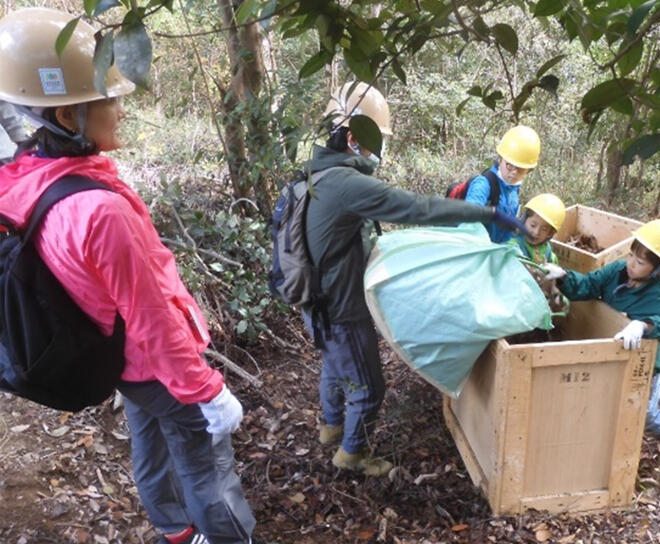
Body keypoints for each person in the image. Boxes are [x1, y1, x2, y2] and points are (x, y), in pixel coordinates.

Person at [0, 9, 259, 544]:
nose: (119, 109)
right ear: (70, 116)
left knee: (150, 444)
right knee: (207, 466)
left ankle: (175, 530)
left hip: (120, 360)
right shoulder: (99, 211)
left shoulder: (28, 179)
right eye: (108, 99)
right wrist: (206, 390)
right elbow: (151, 316)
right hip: (158, 364)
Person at [304, 81, 530, 476]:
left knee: (335, 365)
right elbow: (417, 208)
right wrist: (488, 215)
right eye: (375, 141)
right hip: (339, 304)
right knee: (369, 387)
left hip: (315, 299)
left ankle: (330, 427)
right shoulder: (348, 183)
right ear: (355, 138)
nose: (378, 151)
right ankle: (352, 455)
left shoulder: (315, 173)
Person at [550, 218, 660, 468]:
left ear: (659, 270)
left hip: (647, 363)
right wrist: (564, 277)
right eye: (631, 255)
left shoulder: (656, 294)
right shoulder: (617, 271)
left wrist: (643, 325)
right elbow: (587, 286)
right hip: (619, 352)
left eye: (640, 262)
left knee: (645, 413)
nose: (631, 263)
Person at [464, 125, 541, 243]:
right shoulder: (484, 184)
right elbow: (468, 217)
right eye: (509, 165)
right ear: (500, 159)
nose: (514, 173)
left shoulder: (514, 190)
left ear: (528, 171)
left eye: (520, 169)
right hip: (478, 250)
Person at [508, 193, 565, 265]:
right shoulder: (513, 245)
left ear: (550, 233)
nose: (536, 232)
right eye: (533, 225)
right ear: (524, 220)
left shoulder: (547, 251)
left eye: (544, 229)